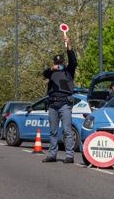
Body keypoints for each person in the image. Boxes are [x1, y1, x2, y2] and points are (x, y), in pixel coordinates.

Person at [41, 35, 77, 163]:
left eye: (60, 63)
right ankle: (52, 154)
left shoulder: (68, 71)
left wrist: (69, 46)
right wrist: (51, 69)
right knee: (53, 132)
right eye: (57, 63)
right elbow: (44, 73)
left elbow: (73, 61)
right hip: (52, 104)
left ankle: (69, 156)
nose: (58, 65)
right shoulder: (51, 72)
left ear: (63, 62)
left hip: (65, 104)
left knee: (67, 130)